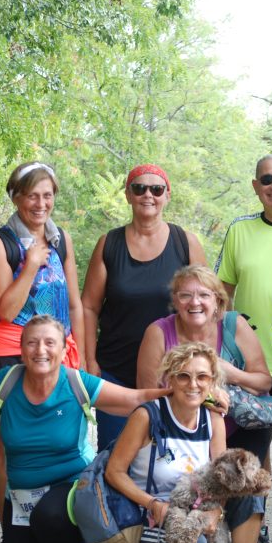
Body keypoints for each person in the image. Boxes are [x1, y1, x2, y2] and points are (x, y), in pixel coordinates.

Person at [0, 315, 171, 543]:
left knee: (50, 514)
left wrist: (184, 393)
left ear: (63, 349)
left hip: (71, 492)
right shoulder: (5, 382)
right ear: (21, 349)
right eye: (32, 343)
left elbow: (134, 398)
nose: (40, 350)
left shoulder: (75, 382)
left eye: (49, 343)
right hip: (21, 499)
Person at [136, 265, 272, 543]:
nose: (194, 302)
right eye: (186, 295)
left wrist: (226, 373)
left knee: (245, 480)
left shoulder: (234, 326)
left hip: (232, 428)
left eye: (203, 295)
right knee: (189, 487)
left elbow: (263, 381)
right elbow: (143, 392)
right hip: (177, 429)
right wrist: (202, 393)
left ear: (218, 300)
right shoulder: (158, 332)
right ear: (175, 300)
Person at [106, 342, 266, 543]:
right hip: (152, 510)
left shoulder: (212, 418)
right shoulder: (148, 415)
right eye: (184, 375)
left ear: (212, 382)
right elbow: (114, 472)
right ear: (170, 379)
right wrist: (152, 504)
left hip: (196, 507)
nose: (193, 384)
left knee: (250, 497)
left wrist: (216, 513)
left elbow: (223, 480)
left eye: (202, 377)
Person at [214, 152, 272, 543]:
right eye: (267, 179)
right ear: (255, 186)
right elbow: (223, 294)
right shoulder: (239, 231)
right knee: (256, 451)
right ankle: (257, 523)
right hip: (252, 366)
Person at [81, 164, 206, 450]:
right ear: (127, 194)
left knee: (168, 457)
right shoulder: (109, 244)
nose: (147, 195)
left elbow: (207, 305)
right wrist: (90, 361)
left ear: (167, 195)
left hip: (174, 373)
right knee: (114, 455)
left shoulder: (185, 242)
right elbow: (89, 306)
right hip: (116, 370)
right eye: (139, 188)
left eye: (156, 189)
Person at [0, 162, 85, 370]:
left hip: (60, 355)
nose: (41, 204)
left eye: (47, 195)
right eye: (32, 195)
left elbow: (74, 306)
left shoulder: (61, 240)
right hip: (14, 358)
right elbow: (6, 312)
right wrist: (31, 265)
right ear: (16, 198)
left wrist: (81, 361)